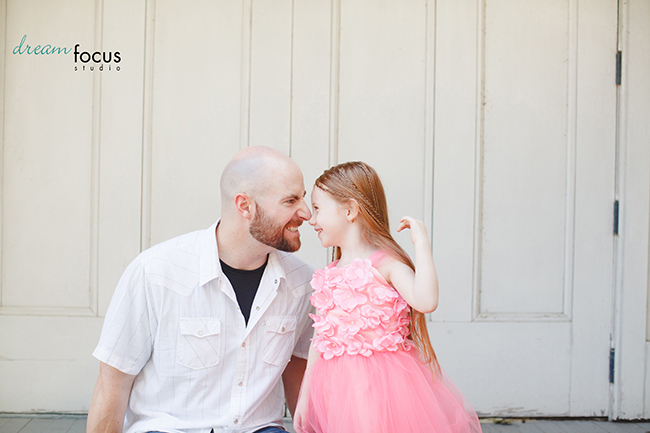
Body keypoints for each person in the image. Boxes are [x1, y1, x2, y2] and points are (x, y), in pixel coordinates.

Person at [87, 146, 315, 433]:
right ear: (245, 206)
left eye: (303, 198)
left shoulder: (303, 282)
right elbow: (112, 385)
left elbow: (299, 376)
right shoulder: (155, 273)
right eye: (291, 200)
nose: (306, 212)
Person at [293, 161, 482, 433]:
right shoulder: (329, 273)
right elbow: (321, 337)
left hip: (382, 386)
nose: (312, 219)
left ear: (349, 210)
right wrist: (305, 393)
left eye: (318, 208)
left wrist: (422, 245)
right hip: (337, 386)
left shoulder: (386, 265)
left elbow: (426, 301)